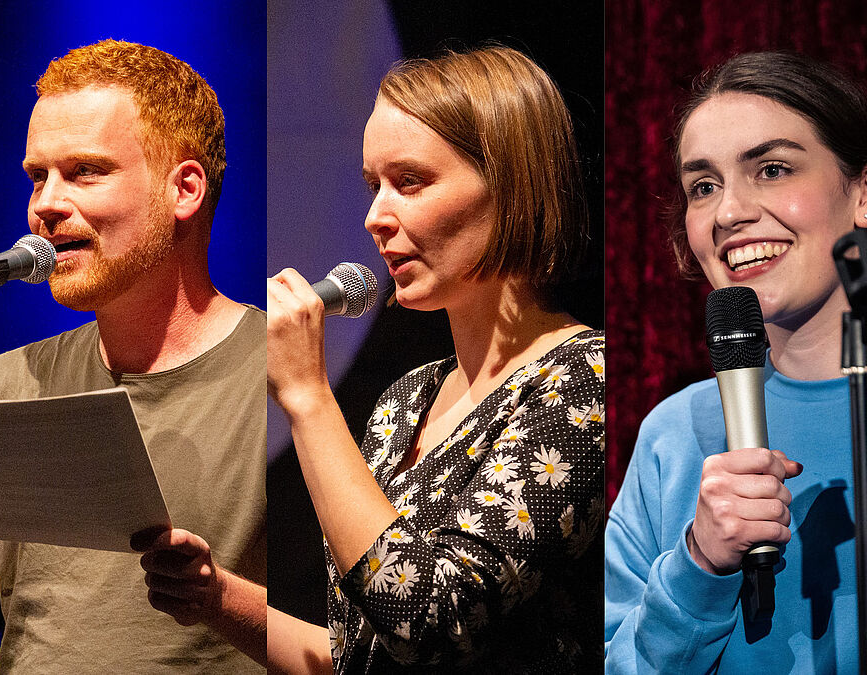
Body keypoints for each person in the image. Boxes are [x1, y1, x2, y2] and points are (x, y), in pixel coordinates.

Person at [258, 46, 604, 672]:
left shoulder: (587, 382)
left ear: (510, 185)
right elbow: (363, 657)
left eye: (409, 182)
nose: (373, 218)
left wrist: (307, 396)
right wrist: (215, 597)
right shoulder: (403, 402)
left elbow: (429, 619)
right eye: (373, 186)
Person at [0, 40, 267, 673]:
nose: (45, 206)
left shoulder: (284, 375)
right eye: (37, 176)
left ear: (184, 189)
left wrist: (218, 597)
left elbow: (349, 634)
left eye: (84, 171)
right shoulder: (10, 381)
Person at [605, 51, 866, 672]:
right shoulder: (676, 432)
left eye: (772, 169)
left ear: (861, 194)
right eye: (703, 187)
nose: (728, 213)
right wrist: (699, 565)